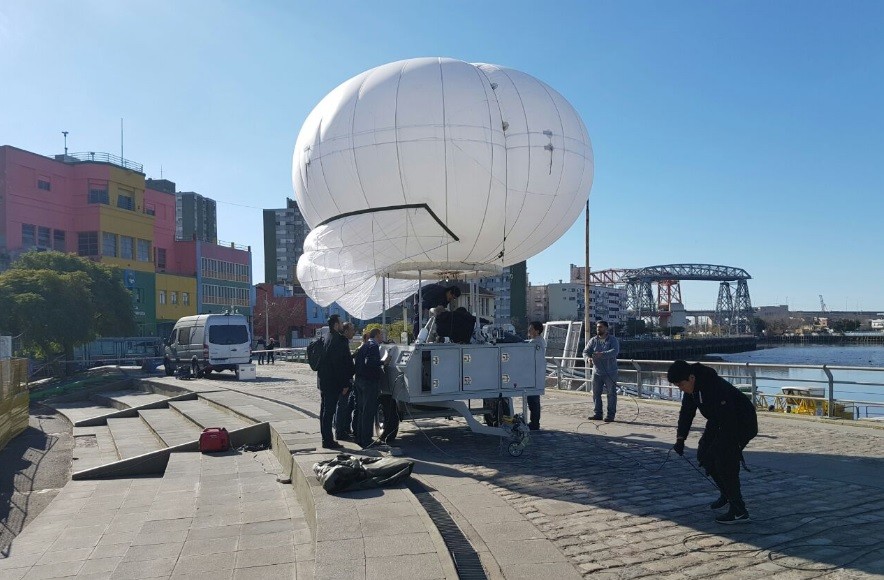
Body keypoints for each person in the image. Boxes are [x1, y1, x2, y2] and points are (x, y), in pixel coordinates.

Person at [667, 360, 758, 524]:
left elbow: (729, 421)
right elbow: (686, 413)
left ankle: (739, 510)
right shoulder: (691, 389)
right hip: (718, 420)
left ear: (691, 378)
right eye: (677, 386)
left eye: (681, 385)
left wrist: (723, 448)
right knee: (703, 454)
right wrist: (680, 439)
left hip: (741, 422)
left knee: (724, 459)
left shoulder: (714, 387)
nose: (680, 388)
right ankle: (726, 493)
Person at [316, 315, 355, 450]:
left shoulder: (326, 337)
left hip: (323, 381)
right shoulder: (338, 340)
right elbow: (340, 365)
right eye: (340, 322)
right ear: (336, 325)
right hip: (333, 383)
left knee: (324, 412)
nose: (341, 324)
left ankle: (326, 438)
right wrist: (345, 384)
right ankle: (328, 441)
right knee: (329, 412)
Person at [353, 328, 386, 447]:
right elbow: (370, 362)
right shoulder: (373, 346)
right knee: (368, 411)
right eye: (381, 334)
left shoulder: (364, 345)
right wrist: (383, 362)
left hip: (359, 380)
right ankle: (366, 439)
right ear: (377, 334)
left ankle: (359, 437)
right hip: (369, 382)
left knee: (361, 411)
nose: (382, 337)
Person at [583, 320, 619, 422]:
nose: (598, 329)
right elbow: (585, 352)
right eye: (597, 327)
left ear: (606, 328)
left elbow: (615, 351)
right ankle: (598, 413)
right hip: (597, 372)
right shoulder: (593, 340)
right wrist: (588, 359)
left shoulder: (613, 340)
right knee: (595, 393)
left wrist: (602, 354)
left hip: (610, 372)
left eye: (601, 327)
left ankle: (610, 415)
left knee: (611, 394)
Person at [334, 322, 358, 440]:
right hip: (343, 382)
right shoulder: (342, 343)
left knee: (345, 406)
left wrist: (353, 356)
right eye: (352, 329)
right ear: (346, 331)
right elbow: (342, 365)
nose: (354, 332)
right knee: (342, 406)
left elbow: (346, 360)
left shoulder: (342, 342)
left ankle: (343, 429)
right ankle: (340, 432)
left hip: (343, 381)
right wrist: (345, 384)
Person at [526, 321, 546, 430]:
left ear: (537, 331)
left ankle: (534, 423)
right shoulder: (539, 341)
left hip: (534, 374)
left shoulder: (536, 342)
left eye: (531, 329)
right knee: (533, 400)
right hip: (535, 373)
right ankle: (534, 422)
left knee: (533, 400)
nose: (529, 331)